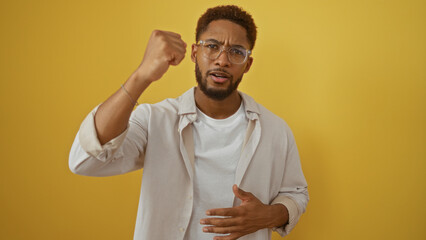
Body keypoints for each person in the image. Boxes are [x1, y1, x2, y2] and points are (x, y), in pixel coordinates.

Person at [69, 5, 308, 240]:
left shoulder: (275, 130)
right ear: (195, 53)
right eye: (212, 47)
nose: (222, 60)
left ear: (247, 64)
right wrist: (142, 75)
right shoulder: (155, 119)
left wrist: (269, 216)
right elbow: (86, 160)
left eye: (236, 51)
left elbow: (296, 194)